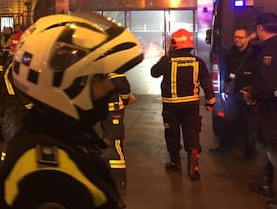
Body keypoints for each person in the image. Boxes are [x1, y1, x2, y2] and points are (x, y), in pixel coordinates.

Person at [0, 12, 144, 209]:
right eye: (99, 78)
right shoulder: (48, 174)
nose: (110, 87)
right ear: (65, 87)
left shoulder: (61, 138)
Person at [150, 29, 215, 181]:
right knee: (192, 131)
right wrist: (210, 100)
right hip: (191, 104)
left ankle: (175, 162)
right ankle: (193, 165)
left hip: (171, 105)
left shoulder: (167, 61)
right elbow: (206, 82)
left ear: (173, 44)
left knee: (172, 133)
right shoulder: (198, 61)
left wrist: (164, 57)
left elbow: (154, 73)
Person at [241, 13, 277, 208]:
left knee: (272, 149)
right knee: (266, 146)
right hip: (270, 108)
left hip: (272, 109)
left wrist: (251, 94)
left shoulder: (270, 50)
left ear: (260, 28)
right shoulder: (263, 48)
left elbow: (267, 84)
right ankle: (265, 184)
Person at [209, 27, 257, 162]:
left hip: (248, 94)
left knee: (249, 124)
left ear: (248, 38)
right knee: (230, 121)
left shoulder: (254, 54)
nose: (237, 39)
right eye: (235, 37)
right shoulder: (231, 53)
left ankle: (250, 154)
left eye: (241, 37)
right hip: (233, 93)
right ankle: (224, 148)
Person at [100, 72, 134, 192]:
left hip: (108, 110)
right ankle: (117, 180)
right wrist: (125, 99)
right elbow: (123, 87)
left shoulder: (106, 67)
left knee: (112, 143)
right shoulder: (112, 68)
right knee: (113, 142)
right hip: (111, 110)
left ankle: (117, 180)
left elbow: (121, 85)